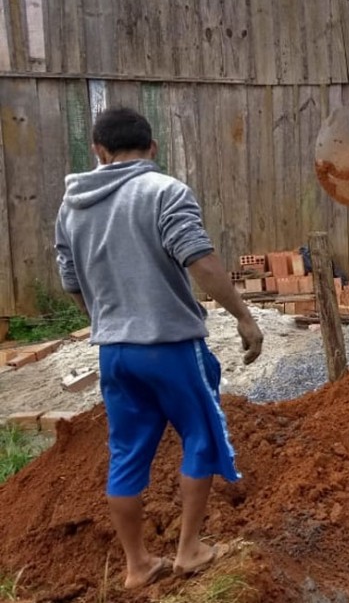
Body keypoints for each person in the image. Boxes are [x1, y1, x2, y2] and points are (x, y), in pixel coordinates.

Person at [54, 107, 264, 590]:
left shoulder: (72, 206)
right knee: (199, 436)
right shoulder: (163, 191)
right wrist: (244, 316)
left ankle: (137, 565)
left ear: (99, 152)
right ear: (153, 148)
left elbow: (70, 279)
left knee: (126, 452)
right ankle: (190, 550)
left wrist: (104, 321)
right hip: (171, 346)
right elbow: (201, 262)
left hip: (114, 353)